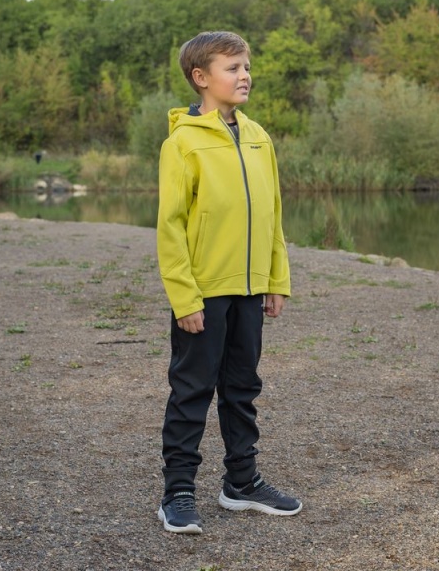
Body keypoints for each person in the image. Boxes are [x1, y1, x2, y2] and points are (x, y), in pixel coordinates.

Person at [156, 31, 302, 534]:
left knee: (242, 387)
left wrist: (276, 279)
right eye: (232, 68)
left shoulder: (259, 137)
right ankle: (177, 492)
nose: (245, 76)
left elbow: (273, 214)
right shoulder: (182, 143)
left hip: (250, 288)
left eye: (246, 67)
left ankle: (241, 482)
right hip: (204, 292)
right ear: (201, 77)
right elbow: (171, 227)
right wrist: (184, 298)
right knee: (192, 389)